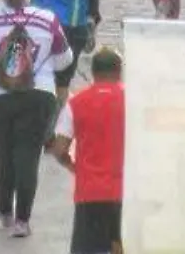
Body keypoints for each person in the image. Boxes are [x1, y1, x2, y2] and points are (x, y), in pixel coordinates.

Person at [0, 0, 73, 239]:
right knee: (28, 156)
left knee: (4, 155)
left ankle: (4, 209)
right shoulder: (47, 19)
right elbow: (65, 59)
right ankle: (22, 220)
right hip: (38, 95)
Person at [50, 48, 125, 254]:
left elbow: (59, 148)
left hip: (90, 193)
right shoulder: (132, 101)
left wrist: (73, 167)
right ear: (119, 71)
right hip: (126, 193)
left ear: (93, 72)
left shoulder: (76, 103)